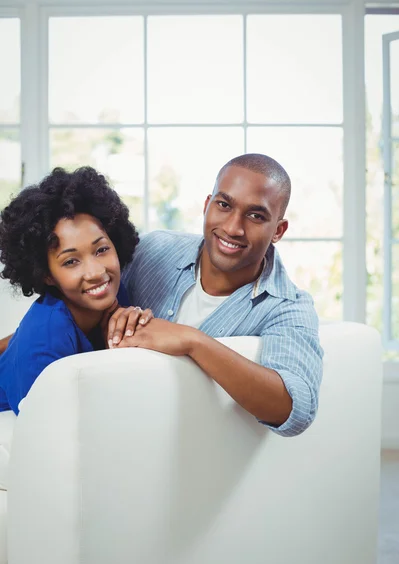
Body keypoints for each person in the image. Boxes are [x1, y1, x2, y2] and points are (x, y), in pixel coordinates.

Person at [108, 153, 323, 437]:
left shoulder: (287, 307)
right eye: (224, 205)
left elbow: (295, 410)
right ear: (207, 205)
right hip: (117, 431)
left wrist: (191, 341)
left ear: (278, 230)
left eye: (256, 216)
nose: (233, 228)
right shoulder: (152, 250)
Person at [0, 166, 151, 414]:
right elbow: (45, 432)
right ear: (46, 274)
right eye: (71, 261)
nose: (96, 273)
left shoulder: (112, 292)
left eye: (101, 250)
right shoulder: (44, 343)